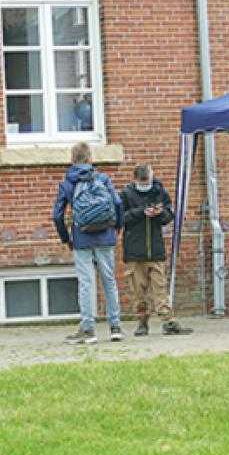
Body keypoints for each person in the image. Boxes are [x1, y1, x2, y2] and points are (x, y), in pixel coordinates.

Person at [52, 142, 124, 345]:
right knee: (109, 280)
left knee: (86, 282)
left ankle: (88, 329)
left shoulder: (67, 183)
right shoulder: (102, 178)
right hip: (105, 234)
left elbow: (57, 215)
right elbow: (117, 203)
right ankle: (115, 327)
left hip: (81, 237)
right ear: (90, 158)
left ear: (72, 160)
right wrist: (118, 226)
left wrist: (66, 238)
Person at [120, 164, 193, 336]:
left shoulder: (160, 191)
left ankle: (168, 321)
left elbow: (169, 214)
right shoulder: (126, 194)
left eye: (148, 182)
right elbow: (121, 218)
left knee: (160, 287)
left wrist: (159, 214)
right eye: (143, 182)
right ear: (135, 180)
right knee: (139, 290)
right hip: (134, 250)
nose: (146, 185)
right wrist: (141, 212)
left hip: (155, 248)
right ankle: (142, 321)